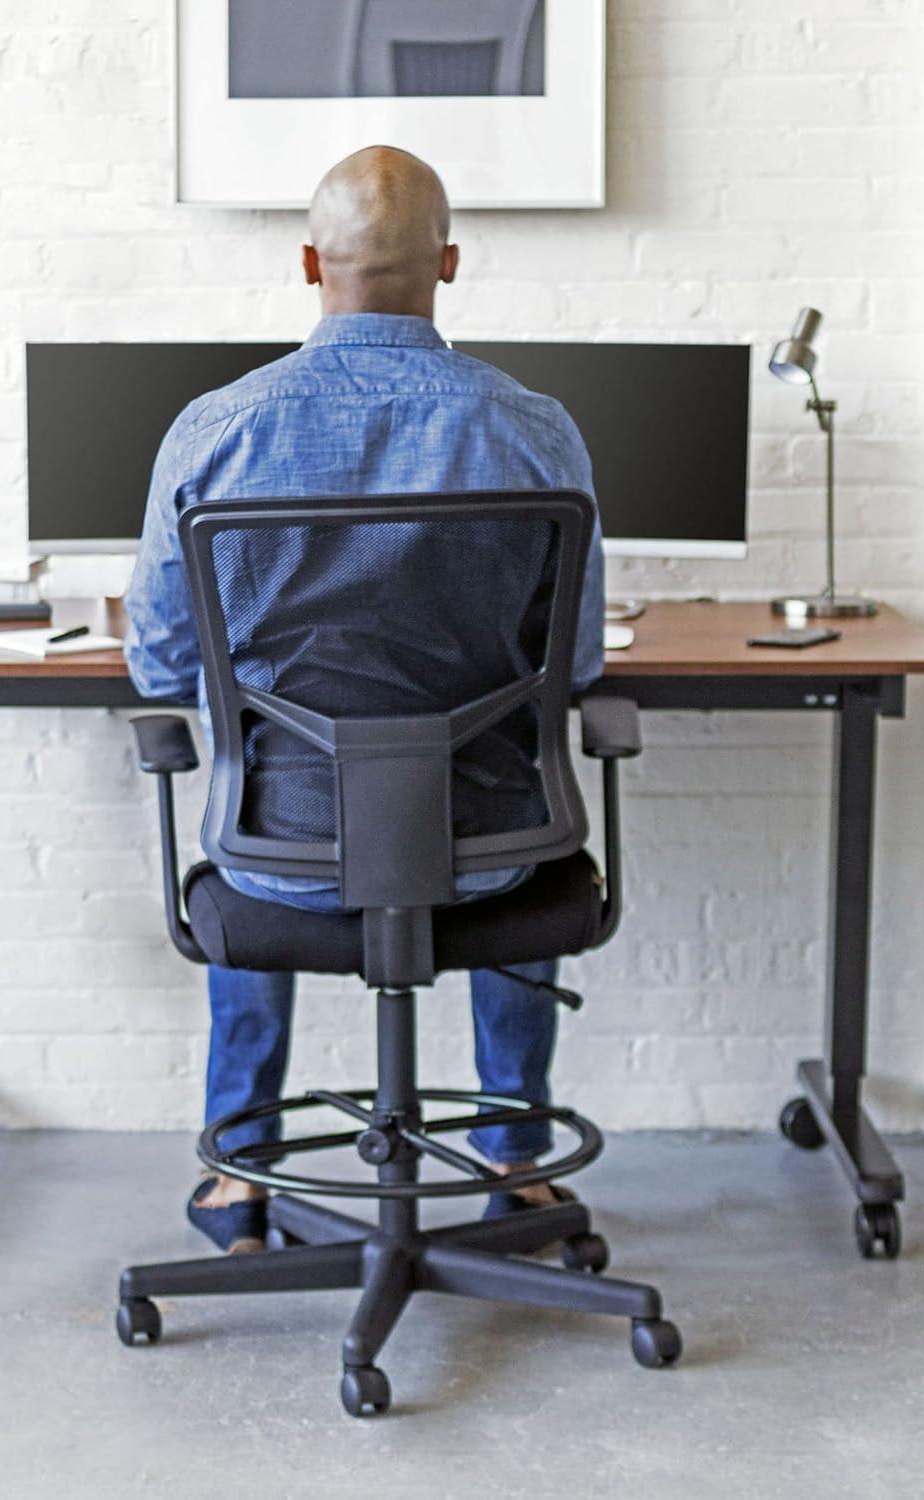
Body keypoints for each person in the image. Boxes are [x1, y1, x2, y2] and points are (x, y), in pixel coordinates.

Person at [124, 145, 605, 1253]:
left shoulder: (215, 431)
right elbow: (571, 667)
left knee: (258, 801)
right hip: (490, 850)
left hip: (280, 850)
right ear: (449, 263)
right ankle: (513, 1160)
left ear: (308, 263)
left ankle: (239, 1173)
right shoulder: (537, 431)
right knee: (514, 792)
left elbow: (159, 665)